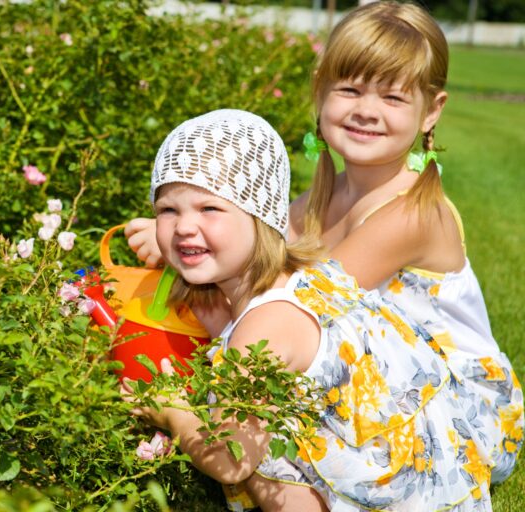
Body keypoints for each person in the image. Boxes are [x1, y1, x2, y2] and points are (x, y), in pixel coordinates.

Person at [124, 1, 523, 485]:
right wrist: (182, 233)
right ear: (320, 90)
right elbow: (255, 255)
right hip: (381, 392)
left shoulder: (412, 214)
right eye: (350, 90)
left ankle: (231, 450)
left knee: (273, 351)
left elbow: (303, 300)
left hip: (459, 408)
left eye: (393, 98)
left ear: (430, 111)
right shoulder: (320, 197)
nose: (366, 111)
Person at [123, 108, 493, 511]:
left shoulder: (268, 323)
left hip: (402, 496)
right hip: (430, 468)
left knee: (261, 453)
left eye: (209, 209)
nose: (183, 227)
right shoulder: (301, 275)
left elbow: (229, 460)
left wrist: (172, 412)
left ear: (260, 217)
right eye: (168, 210)